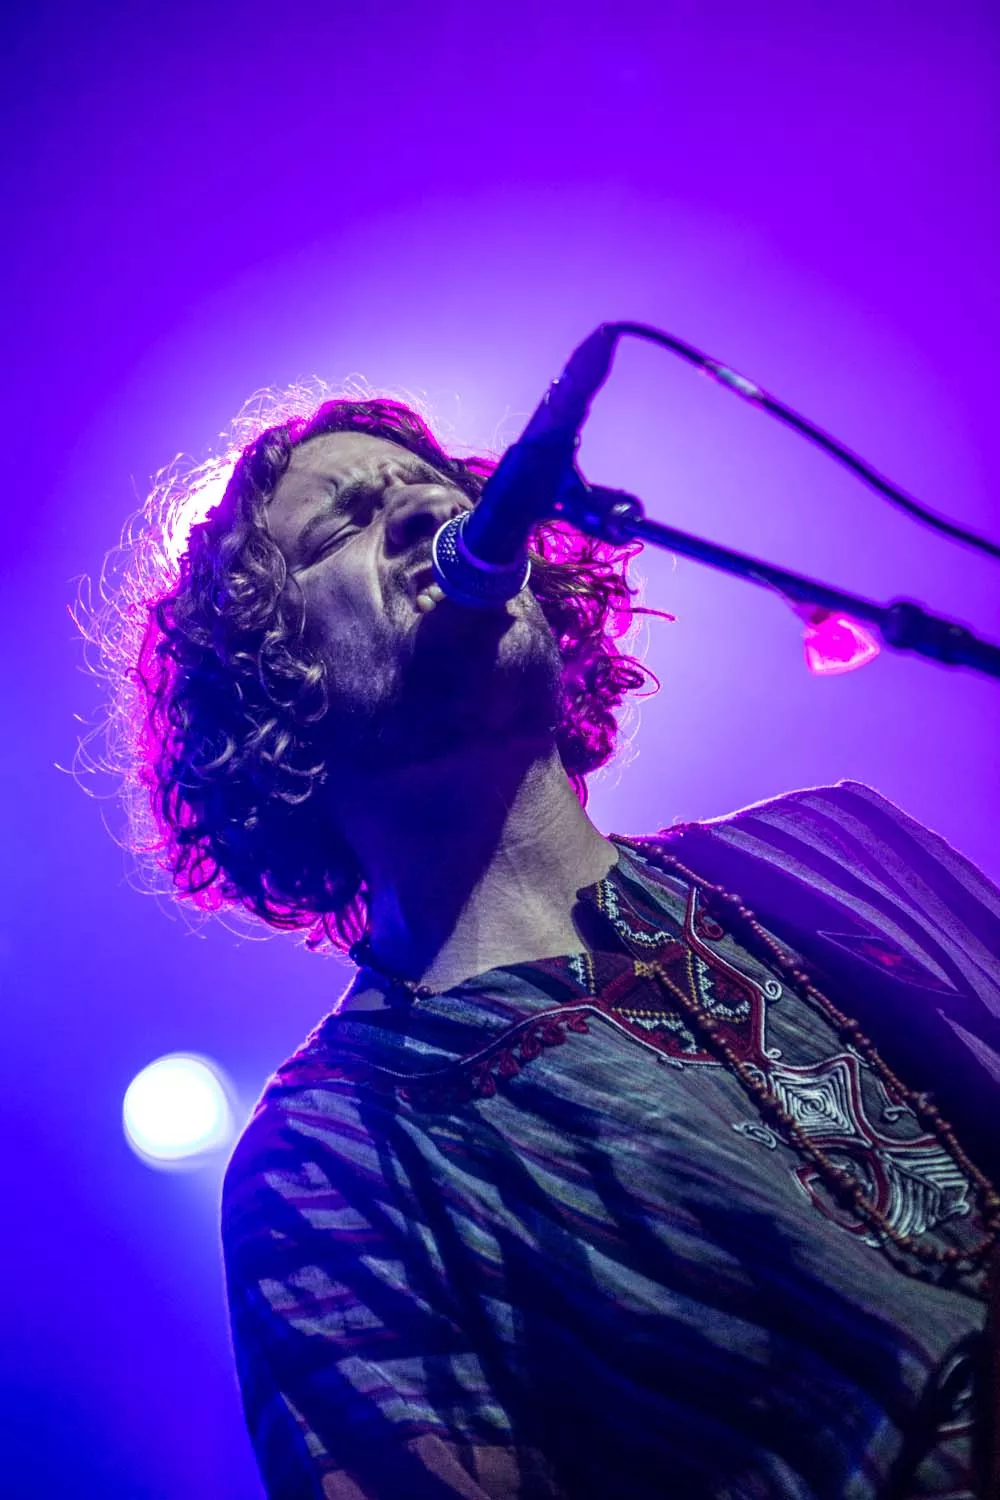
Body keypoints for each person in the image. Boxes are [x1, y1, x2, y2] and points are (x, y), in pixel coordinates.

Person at [92, 390, 1000, 1498]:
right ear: (272, 687)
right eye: (345, 524)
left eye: (433, 489)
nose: (426, 512)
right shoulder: (331, 1164)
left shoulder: (833, 846)